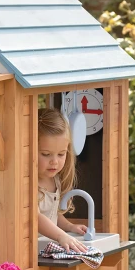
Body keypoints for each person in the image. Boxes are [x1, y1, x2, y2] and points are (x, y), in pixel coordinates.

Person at [37, 108, 89, 254]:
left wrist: (69, 227)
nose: (54, 161)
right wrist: (61, 236)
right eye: (46, 154)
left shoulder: (55, 179)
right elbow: (36, 218)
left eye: (61, 154)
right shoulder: (28, 183)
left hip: (40, 248)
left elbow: (52, 214)